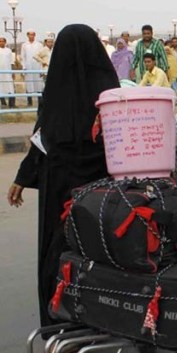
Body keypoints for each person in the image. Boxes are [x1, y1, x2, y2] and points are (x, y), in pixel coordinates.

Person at [7, 24, 120, 330]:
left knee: (58, 252)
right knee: (102, 252)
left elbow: (41, 139)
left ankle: (60, 323)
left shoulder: (55, 92)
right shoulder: (111, 92)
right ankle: (108, 318)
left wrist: (21, 177)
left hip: (59, 188)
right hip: (102, 191)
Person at [20, 29, 44, 106]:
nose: (31, 36)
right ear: (27, 35)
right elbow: (22, 57)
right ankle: (29, 102)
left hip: (37, 67)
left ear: (34, 35)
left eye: (33, 34)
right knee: (29, 85)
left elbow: (42, 57)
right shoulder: (24, 45)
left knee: (39, 85)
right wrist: (24, 67)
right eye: (30, 34)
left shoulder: (39, 45)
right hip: (28, 68)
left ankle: (40, 102)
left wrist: (41, 70)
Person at [0, 36, 15, 108]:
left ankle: (11, 104)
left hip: (8, 72)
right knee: (1, 87)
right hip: (0, 73)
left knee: (10, 87)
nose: (1, 42)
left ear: (5, 42)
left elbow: (12, 62)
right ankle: (3, 103)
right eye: (0, 41)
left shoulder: (9, 50)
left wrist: (13, 72)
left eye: (3, 41)